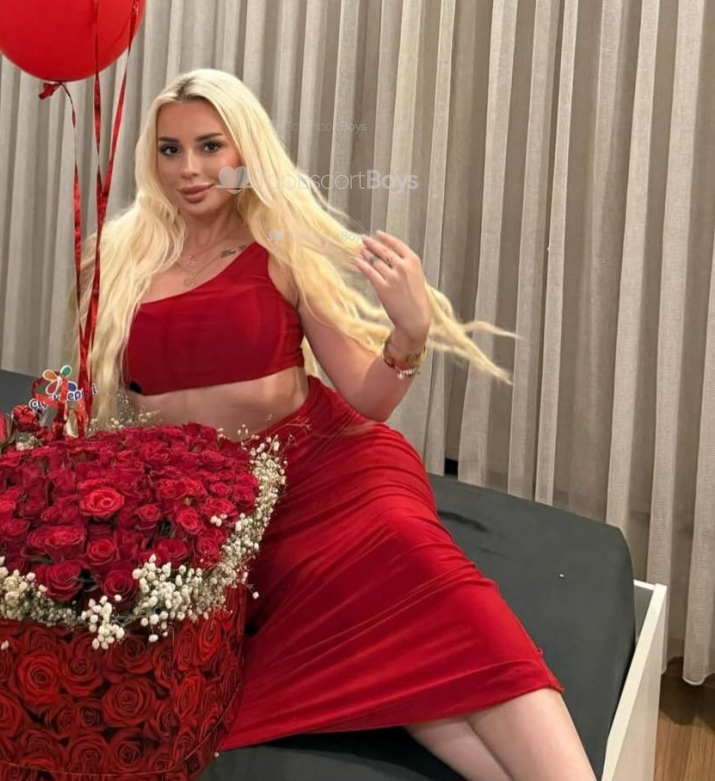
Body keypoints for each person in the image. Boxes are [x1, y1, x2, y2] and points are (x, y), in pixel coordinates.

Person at [71, 68, 597, 781]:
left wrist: (409, 333)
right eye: (171, 149)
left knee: (418, 568)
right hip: (217, 504)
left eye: (210, 146)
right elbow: (103, 407)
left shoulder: (281, 249)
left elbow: (367, 396)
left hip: (325, 469)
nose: (189, 169)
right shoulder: (121, 258)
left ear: (244, 152)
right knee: (387, 638)